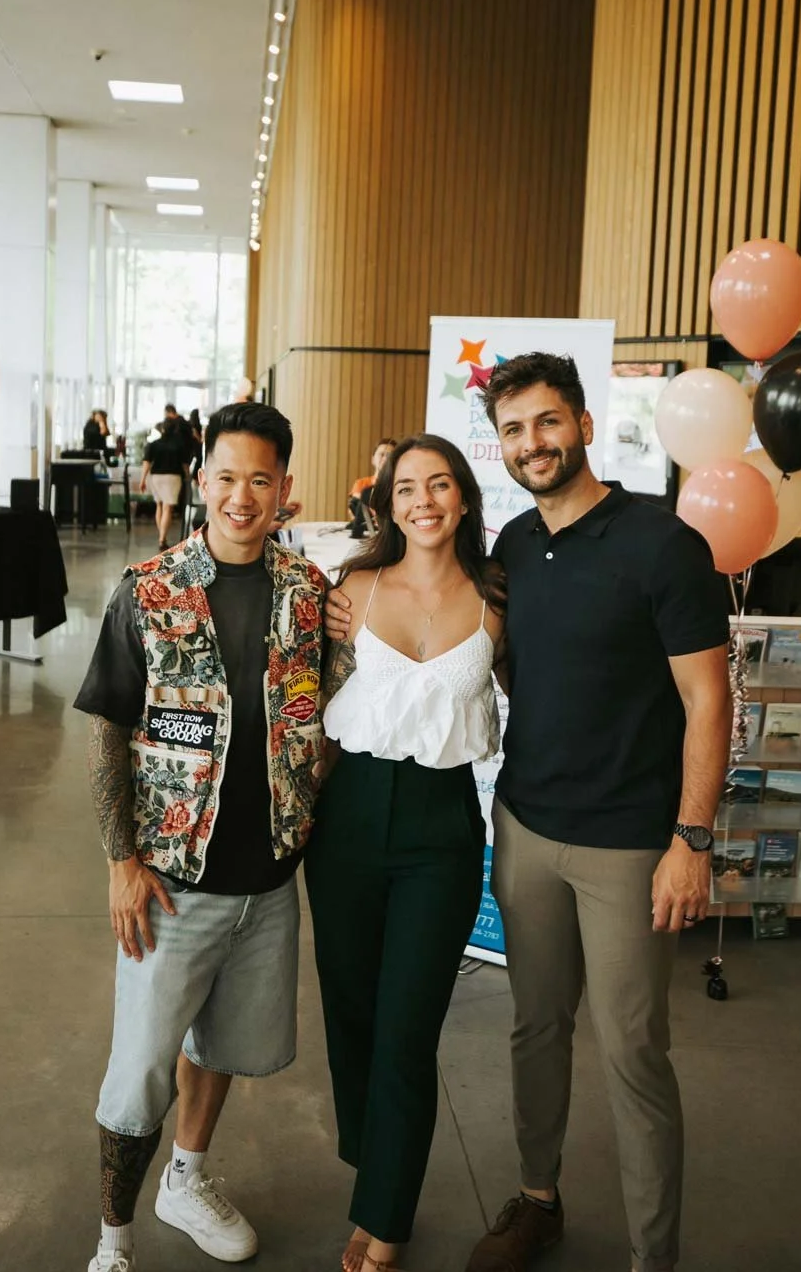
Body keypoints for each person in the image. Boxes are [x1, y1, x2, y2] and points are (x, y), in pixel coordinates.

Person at [326, 353, 731, 1272]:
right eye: (514, 430)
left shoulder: (662, 544)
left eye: (548, 423)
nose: (533, 443)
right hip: (524, 827)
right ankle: (538, 1199)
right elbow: (501, 676)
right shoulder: (509, 554)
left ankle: (651, 1255)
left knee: (633, 1051)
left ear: (585, 424)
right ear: (498, 448)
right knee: (534, 1027)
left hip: (632, 843)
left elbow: (710, 700)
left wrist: (692, 838)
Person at [73, 401, 328, 1272]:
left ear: (285, 488)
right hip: (173, 880)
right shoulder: (148, 589)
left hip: (268, 881)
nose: (242, 496)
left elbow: (339, 710)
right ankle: (113, 1243)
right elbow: (108, 727)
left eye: (262, 479)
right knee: (141, 1068)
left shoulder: (310, 594)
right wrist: (119, 862)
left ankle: (187, 1178)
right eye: (226, 477)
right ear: (201, 479)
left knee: (220, 1045)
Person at [309, 434, 505, 1272]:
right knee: (351, 1014)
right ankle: (377, 1159)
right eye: (406, 489)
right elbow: (309, 702)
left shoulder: (500, 598)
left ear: (463, 496)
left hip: (443, 828)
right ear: (387, 506)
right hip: (348, 812)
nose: (424, 500)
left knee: (406, 1030)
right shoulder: (353, 589)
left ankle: (386, 1221)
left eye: (440, 484)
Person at [140, 418, 189, 551]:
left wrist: (143, 480)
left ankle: (162, 536)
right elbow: (185, 464)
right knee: (168, 508)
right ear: (175, 430)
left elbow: (147, 463)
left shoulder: (154, 444)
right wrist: (188, 477)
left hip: (156, 477)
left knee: (159, 505)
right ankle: (162, 539)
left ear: (162, 429)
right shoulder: (179, 445)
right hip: (173, 477)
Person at [349, 438, 396, 537]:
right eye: (382, 454)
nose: (385, 459)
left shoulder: (399, 485)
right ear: (373, 459)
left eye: (389, 456)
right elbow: (354, 511)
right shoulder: (361, 483)